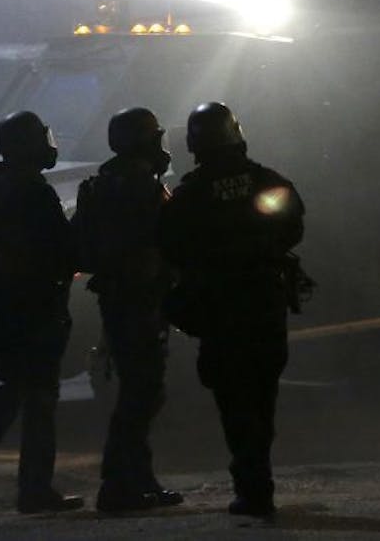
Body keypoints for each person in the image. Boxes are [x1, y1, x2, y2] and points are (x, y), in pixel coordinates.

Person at [157, 101, 304, 518]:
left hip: (220, 311)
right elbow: (293, 226)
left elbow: (170, 246)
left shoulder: (190, 194)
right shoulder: (265, 180)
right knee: (263, 396)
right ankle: (260, 483)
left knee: (234, 401)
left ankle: (252, 486)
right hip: (264, 304)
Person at [0, 111, 82, 514]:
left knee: (17, 387)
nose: (49, 144)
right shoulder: (31, 191)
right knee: (39, 394)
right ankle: (33, 488)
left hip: (0, 301)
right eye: (42, 137)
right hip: (34, 304)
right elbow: (62, 248)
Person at [73, 107, 183, 513]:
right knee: (142, 394)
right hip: (140, 300)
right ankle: (118, 484)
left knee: (140, 391)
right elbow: (167, 242)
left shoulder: (99, 185)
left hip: (118, 299)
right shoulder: (142, 188)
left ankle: (139, 479)